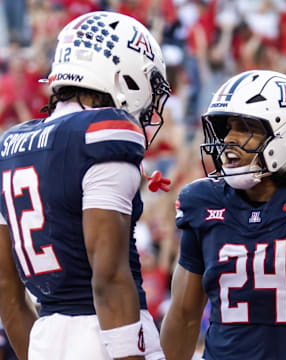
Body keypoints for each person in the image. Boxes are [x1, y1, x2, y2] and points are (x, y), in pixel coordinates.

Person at [0, 11, 170, 360]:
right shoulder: (104, 131)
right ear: (123, 73)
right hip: (108, 335)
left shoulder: (9, 144)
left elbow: (6, 288)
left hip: (46, 337)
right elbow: (108, 280)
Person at [160, 70, 286, 359]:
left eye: (244, 127)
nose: (229, 138)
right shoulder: (204, 202)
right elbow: (183, 316)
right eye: (228, 127)